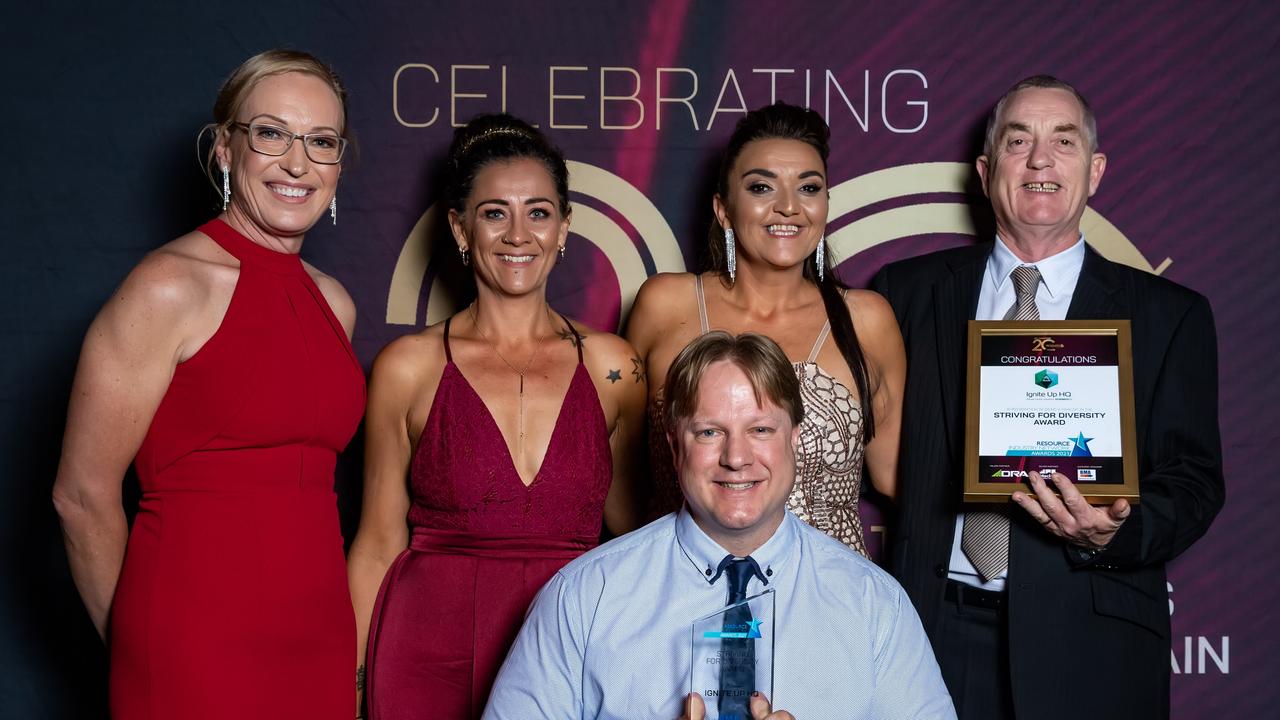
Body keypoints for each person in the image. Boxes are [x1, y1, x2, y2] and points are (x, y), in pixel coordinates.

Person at [871, 75, 1225, 719]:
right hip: (928, 632)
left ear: (1094, 172)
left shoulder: (1169, 316)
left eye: (1063, 141)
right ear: (984, 172)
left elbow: (1195, 481)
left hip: (1090, 638)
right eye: (1018, 141)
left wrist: (1114, 529)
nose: (1040, 159)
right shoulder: (902, 294)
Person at [50, 50, 362, 719]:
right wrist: (142, 642)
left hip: (319, 643)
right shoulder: (169, 286)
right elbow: (80, 497)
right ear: (225, 148)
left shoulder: (333, 303)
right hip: (191, 639)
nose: (298, 163)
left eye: (322, 141)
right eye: (271, 134)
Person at [484, 331, 955, 720]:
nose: (736, 458)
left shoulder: (875, 605)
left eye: (761, 430)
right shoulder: (584, 597)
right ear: (674, 446)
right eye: (709, 432)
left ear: (794, 439)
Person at [347, 114, 647, 720]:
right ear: (460, 228)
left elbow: (641, 534)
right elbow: (377, 544)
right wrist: (349, 693)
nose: (518, 235)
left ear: (565, 228)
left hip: (573, 648)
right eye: (494, 213)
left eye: (538, 212)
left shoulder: (614, 367)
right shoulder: (408, 367)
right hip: (428, 651)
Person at [627, 103, 905, 556]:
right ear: (723, 209)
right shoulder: (665, 305)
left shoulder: (866, 320)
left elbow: (898, 479)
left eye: (809, 188)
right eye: (761, 187)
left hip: (825, 593)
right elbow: (622, 471)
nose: (789, 207)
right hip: (679, 581)